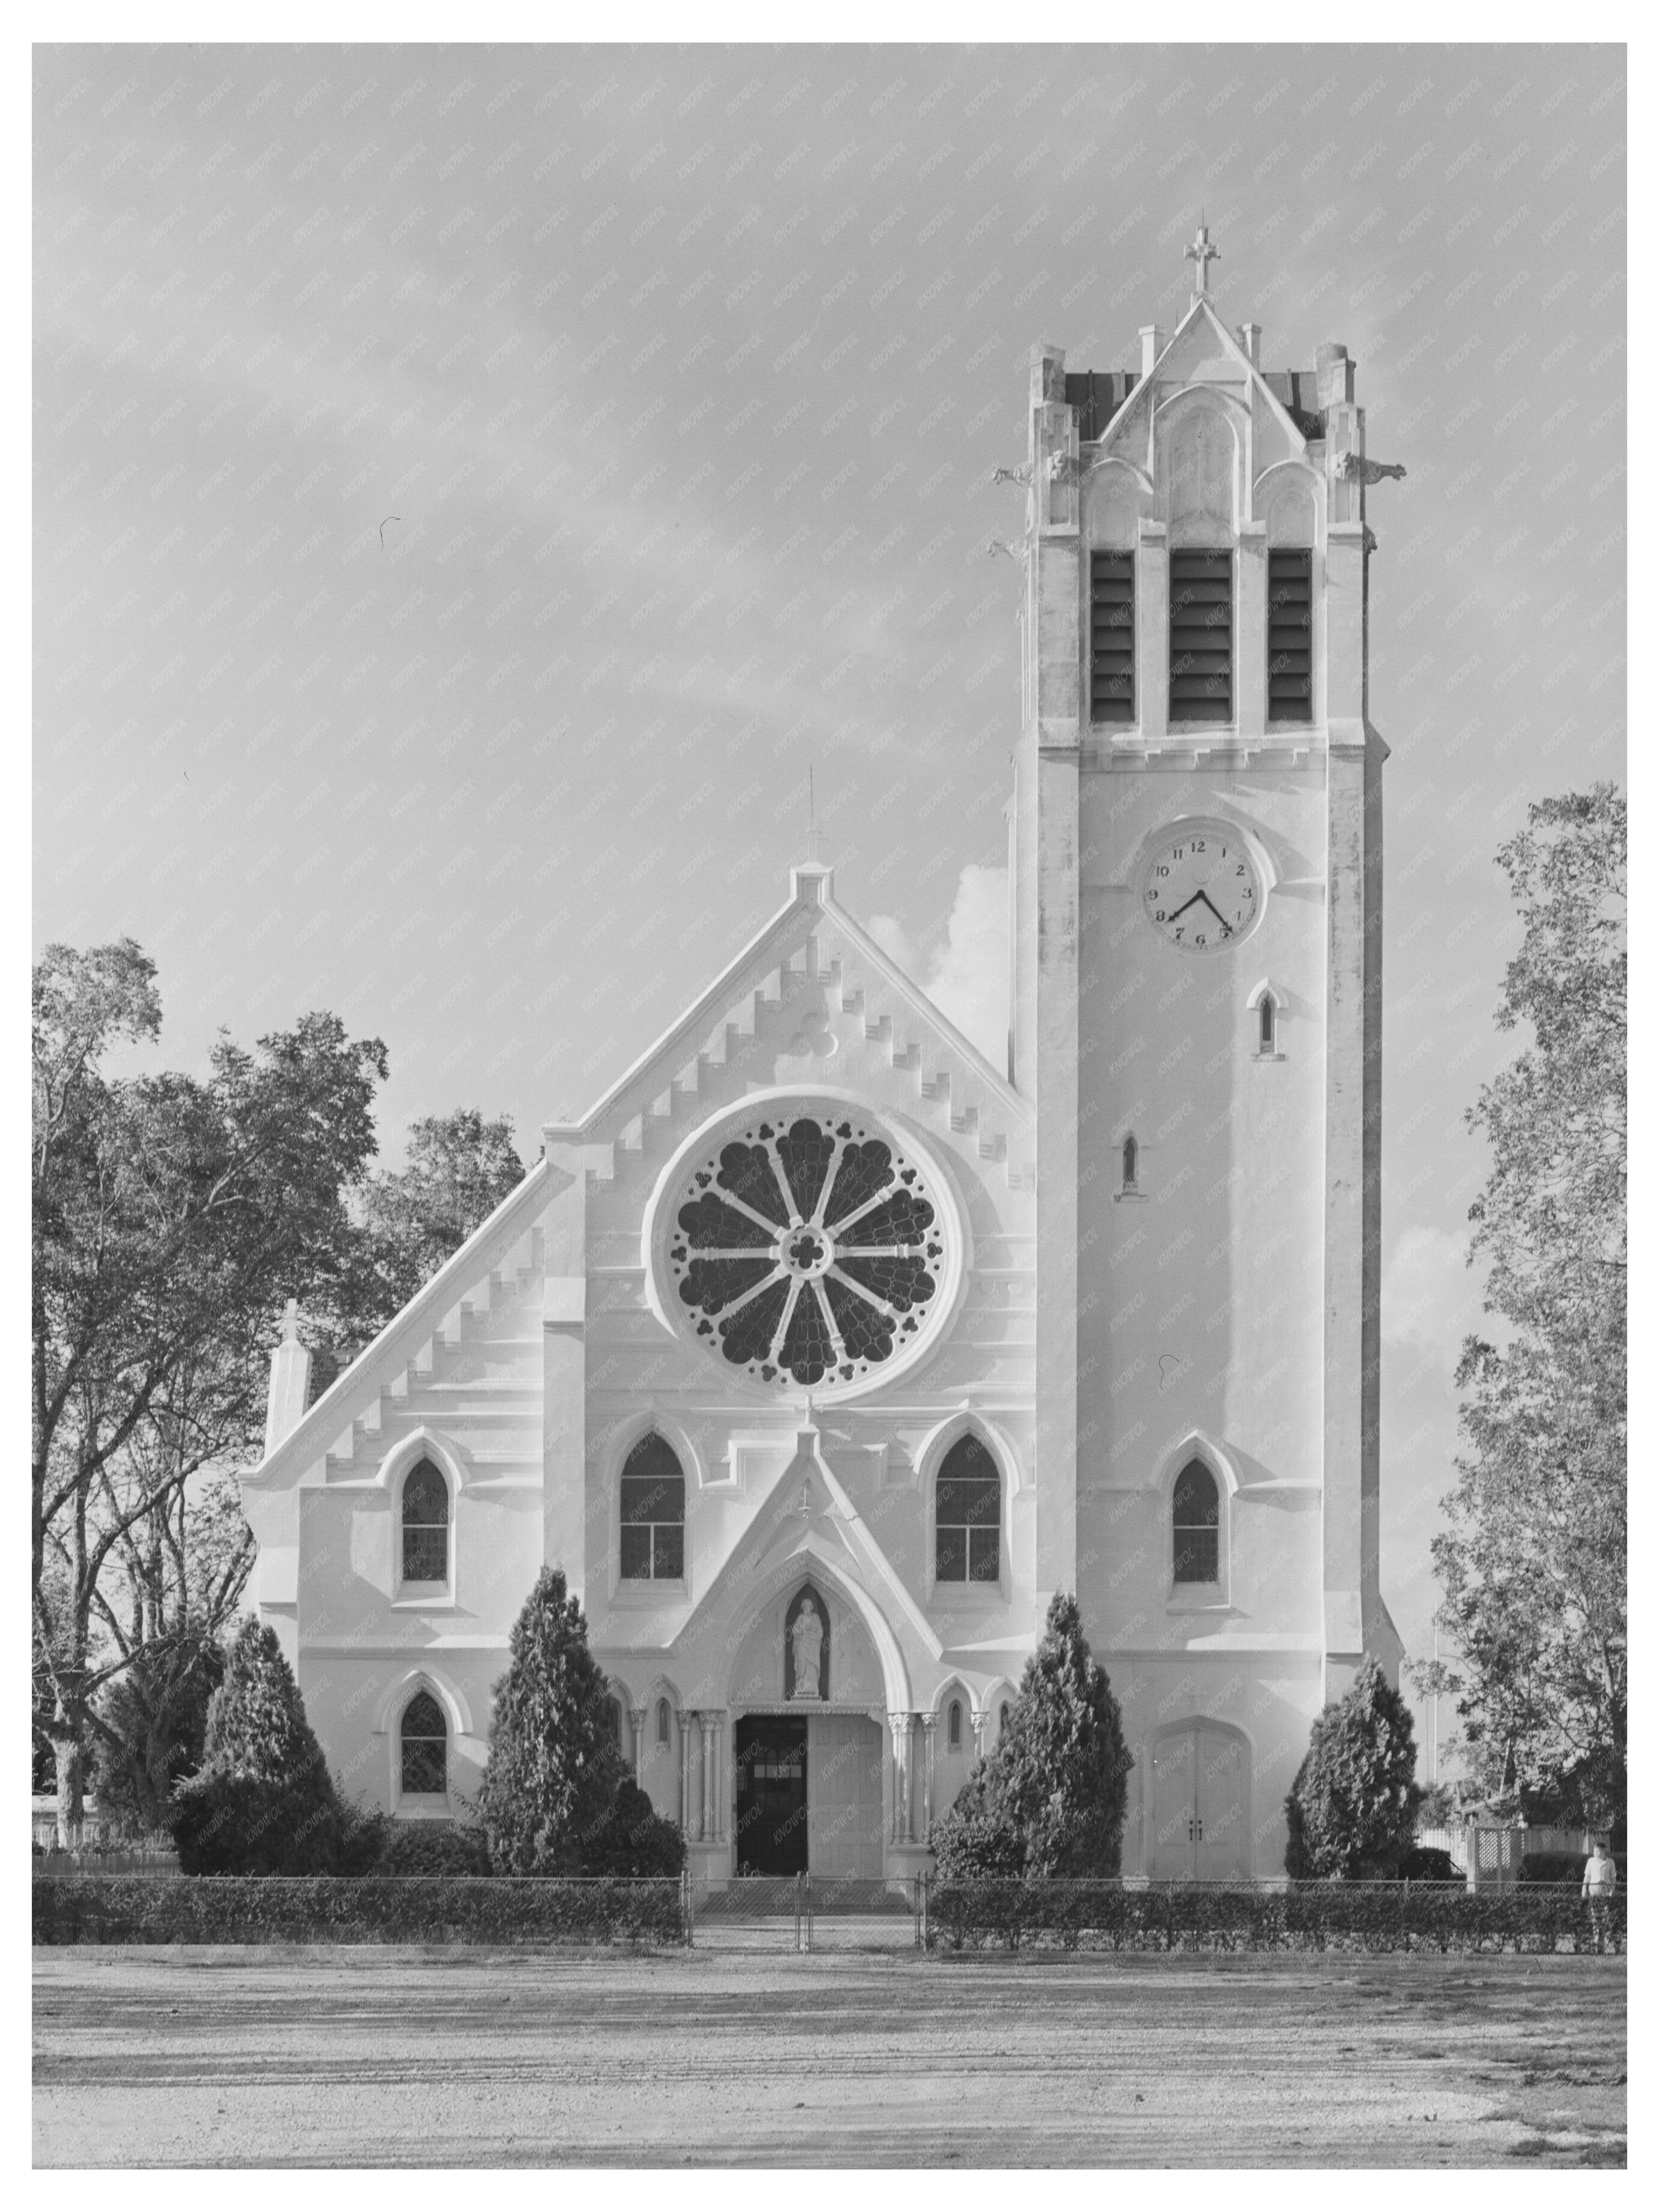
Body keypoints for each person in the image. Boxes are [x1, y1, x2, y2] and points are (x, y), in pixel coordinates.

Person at [1580, 1834, 1618, 1950]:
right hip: (1594, 1891)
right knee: (1595, 1915)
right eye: (1595, 1851)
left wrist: (1612, 1890)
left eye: (1599, 1851)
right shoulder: (1591, 1861)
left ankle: (1607, 1938)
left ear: (1604, 1852)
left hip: (1606, 1892)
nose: (1596, 1853)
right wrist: (1584, 1888)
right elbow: (1588, 1876)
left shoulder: (1610, 1862)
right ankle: (1596, 1937)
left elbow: (1613, 1879)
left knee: (1606, 1915)